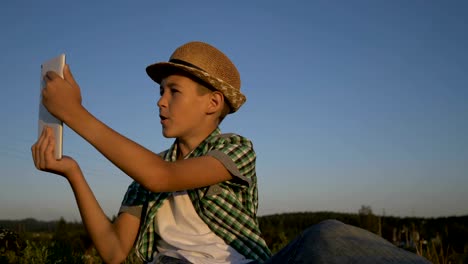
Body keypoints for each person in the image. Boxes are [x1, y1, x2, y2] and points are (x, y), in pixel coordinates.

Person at [32, 41, 431, 264]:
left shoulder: (234, 150)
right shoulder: (146, 174)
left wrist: (75, 114)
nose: (160, 102)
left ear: (212, 103)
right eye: (159, 92)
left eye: (174, 91)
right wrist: (74, 173)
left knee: (327, 237)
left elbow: (163, 178)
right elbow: (115, 252)